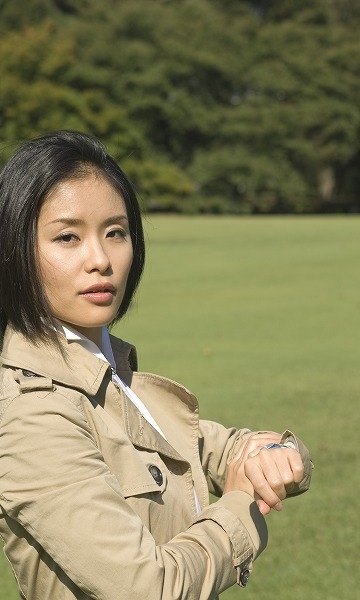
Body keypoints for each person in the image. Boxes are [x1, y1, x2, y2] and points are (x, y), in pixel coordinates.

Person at [0, 130, 313, 600]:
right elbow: (150, 587)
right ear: (14, 251)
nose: (100, 260)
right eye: (67, 237)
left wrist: (279, 455)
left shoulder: (108, 376)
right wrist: (240, 504)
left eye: (115, 232)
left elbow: (221, 447)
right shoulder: (31, 415)